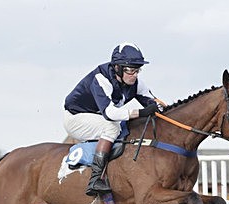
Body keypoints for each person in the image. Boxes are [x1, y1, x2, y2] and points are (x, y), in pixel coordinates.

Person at [64, 43, 162, 196]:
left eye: (137, 70)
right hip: (76, 119)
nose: (134, 75)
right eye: (130, 70)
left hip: (98, 118)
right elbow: (109, 113)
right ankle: (95, 179)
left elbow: (155, 104)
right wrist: (141, 112)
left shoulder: (135, 83)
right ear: (117, 68)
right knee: (113, 127)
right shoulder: (101, 79)